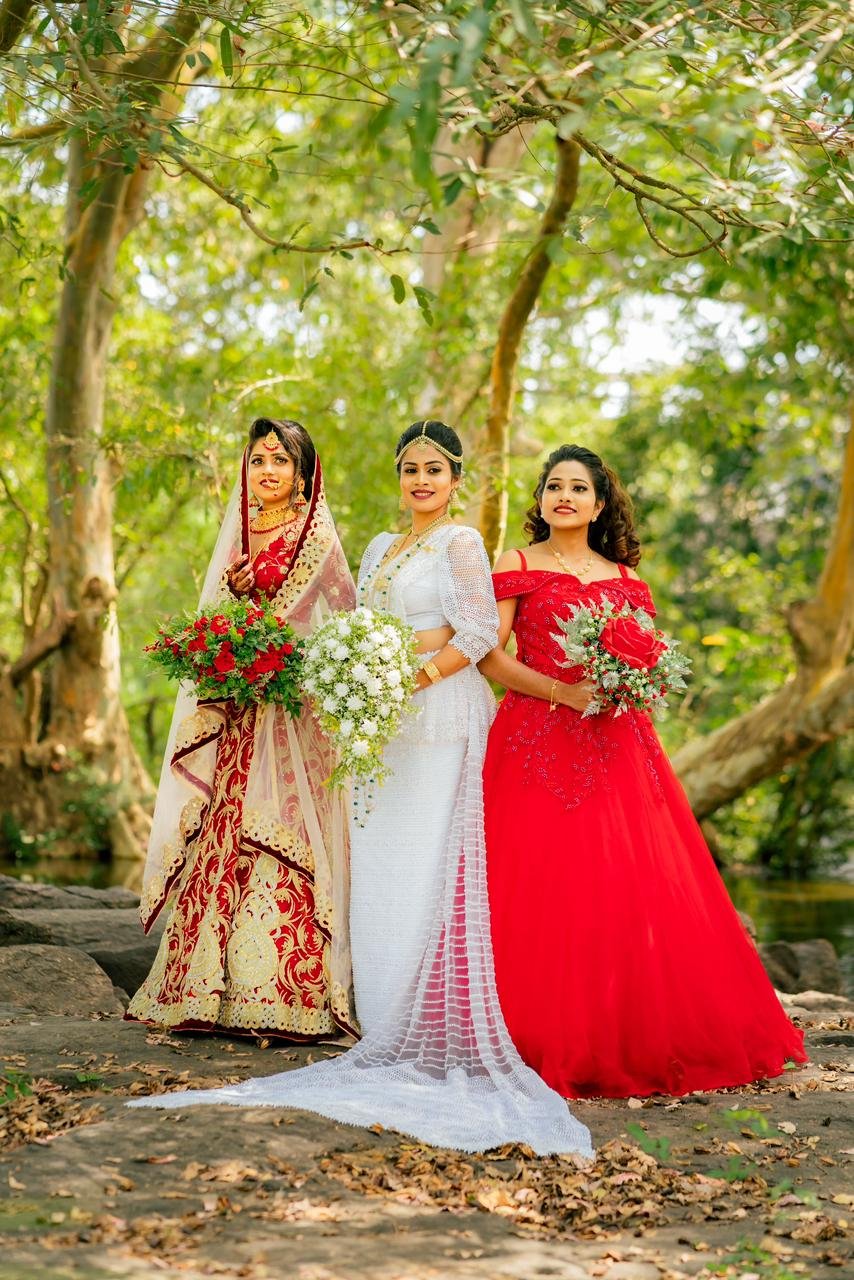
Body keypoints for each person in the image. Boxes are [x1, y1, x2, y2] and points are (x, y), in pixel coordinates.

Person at [128, 422, 592, 1159]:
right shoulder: (378, 547)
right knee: (376, 864)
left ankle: (428, 1021)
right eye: (410, 469)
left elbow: (477, 635)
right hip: (381, 724)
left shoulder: (462, 543)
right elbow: (353, 623)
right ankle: (379, 1017)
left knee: (431, 865)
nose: (420, 481)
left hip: (439, 718)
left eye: (434, 470)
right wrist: (357, 665)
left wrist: (406, 672)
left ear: (456, 479)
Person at [480, 444, 807, 1099]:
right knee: (535, 883)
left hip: (615, 744)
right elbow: (490, 656)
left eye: (578, 488)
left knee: (615, 886)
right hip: (533, 740)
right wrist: (562, 691)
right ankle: (525, 1033)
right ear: (541, 500)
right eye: (553, 486)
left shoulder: (626, 579)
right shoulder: (515, 564)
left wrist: (626, 685)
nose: (564, 496)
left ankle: (617, 1032)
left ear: (600, 504)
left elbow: (644, 659)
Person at [127, 418, 357, 1041]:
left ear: (303, 474)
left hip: (292, 711)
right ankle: (200, 988)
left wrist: (293, 661)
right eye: (258, 460)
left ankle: (284, 995)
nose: (268, 471)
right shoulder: (242, 530)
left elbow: (344, 617)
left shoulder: (317, 536)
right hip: (240, 709)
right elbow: (226, 615)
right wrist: (224, 648)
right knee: (224, 821)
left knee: (279, 818)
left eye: (281, 460)